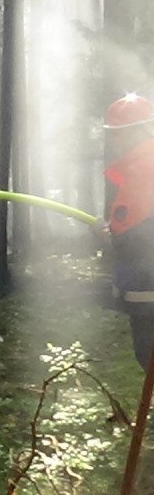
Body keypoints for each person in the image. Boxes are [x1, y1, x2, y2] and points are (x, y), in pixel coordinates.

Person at [99, 93, 154, 370]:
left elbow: (130, 234)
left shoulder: (143, 169)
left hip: (148, 288)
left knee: (148, 354)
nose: (115, 141)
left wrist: (107, 233)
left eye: (118, 134)